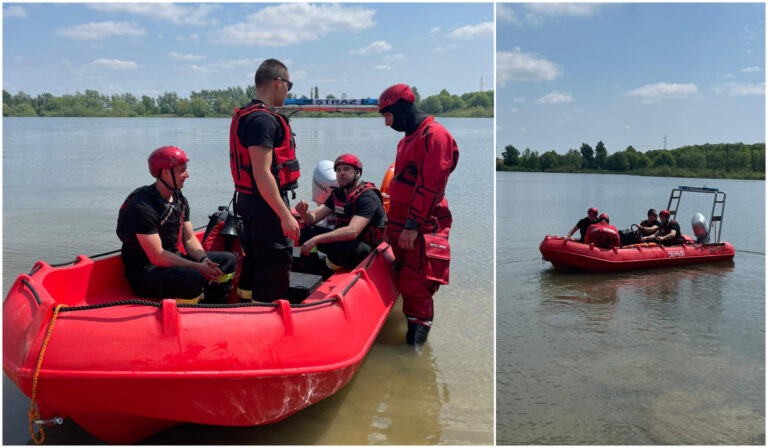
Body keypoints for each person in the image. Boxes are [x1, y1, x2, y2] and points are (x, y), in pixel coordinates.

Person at [378, 84, 459, 345]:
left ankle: (413, 353)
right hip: (401, 224)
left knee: (417, 285)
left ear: (401, 109)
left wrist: (412, 226)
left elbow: (431, 184)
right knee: (403, 277)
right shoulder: (406, 141)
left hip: (421, 226)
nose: (387, 124)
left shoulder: (434, 135)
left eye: (388, 116)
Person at [117, 146, 236, 304]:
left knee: (228, 260)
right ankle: (188, 314)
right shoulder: (142, 207)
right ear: (165, 172)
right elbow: (157, 256)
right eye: (182, 171)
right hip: (147, 272)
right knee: (192, 278)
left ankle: (214, 304)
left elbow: (189, 239)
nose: (187, 175)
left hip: (173, 260)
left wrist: (203, 260)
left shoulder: (179, 199)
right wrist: (197, 267)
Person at [229, 58, 300, 303]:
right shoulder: (263, 120)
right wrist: (286, 215)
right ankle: (268, 315)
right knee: (275, 263)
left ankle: (246, 304)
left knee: (255, 259)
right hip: (264, 204)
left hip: (248, 201)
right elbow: (262, 173)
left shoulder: (250, 115)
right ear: (278, 82)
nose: (289, 92)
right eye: (289, 86)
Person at [295, 154, 386, 271]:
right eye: (338, 170)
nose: (341, 173)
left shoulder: (367, 197)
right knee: (306, 232)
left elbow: (353, 231)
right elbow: (312, 218)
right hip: (343, 240)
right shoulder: (338, 194)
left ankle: (328, 271)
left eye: (346, 169)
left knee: (340, 248)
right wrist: (303, 213)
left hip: (365, 246)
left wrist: (317, 239)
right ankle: (311, 265)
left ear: (357, 173)